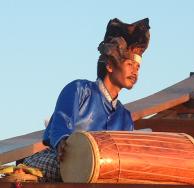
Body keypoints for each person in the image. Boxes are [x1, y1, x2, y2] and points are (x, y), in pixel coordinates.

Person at [23, 18, 150, 182]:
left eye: (138, 67)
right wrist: (63, 143)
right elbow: (60, 126)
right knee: (65, 167)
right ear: (110, 66)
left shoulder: (124, 117)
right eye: (129, 64)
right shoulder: (79, 90)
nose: (135, 72)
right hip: (64, 160)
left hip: (103, 171)